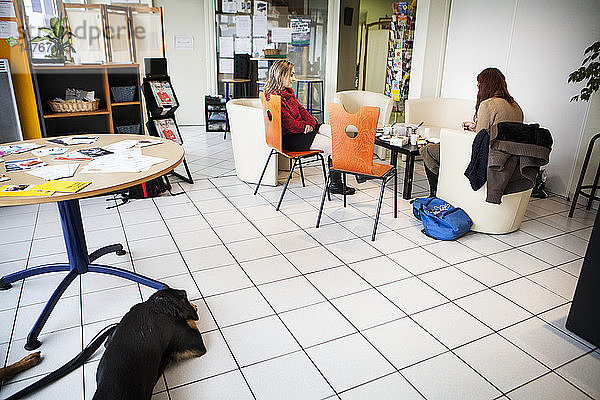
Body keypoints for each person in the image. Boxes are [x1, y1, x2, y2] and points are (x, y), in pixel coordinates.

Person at [420, 67, 524, 197]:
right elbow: (491, 131)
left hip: (485, 158)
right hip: (507, 158)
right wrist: (474, 127)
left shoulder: (487, 104)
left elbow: (478, 141)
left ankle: (436, 194)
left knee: (428, 150)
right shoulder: (516, 107)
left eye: (479, 86)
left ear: (485, 85)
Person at [263, 60, 355, 195]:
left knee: (338, 133)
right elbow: (289, 124)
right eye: (291, 75)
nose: (294, 79)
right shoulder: (274, 97)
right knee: (333, 145)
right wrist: (304, 127)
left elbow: (301, 109)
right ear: (281, 76)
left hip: (300, 131)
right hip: (290, 137)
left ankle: (355, 171)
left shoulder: (286, 91)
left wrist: (310, 123)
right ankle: (337, 184)